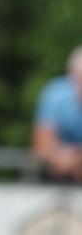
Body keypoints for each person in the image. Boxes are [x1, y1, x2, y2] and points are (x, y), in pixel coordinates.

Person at [33, 46, 82, 181]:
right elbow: (42, 147)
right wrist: (62, 156)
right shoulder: (55, 95)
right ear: (71, 76)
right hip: (58, 172)